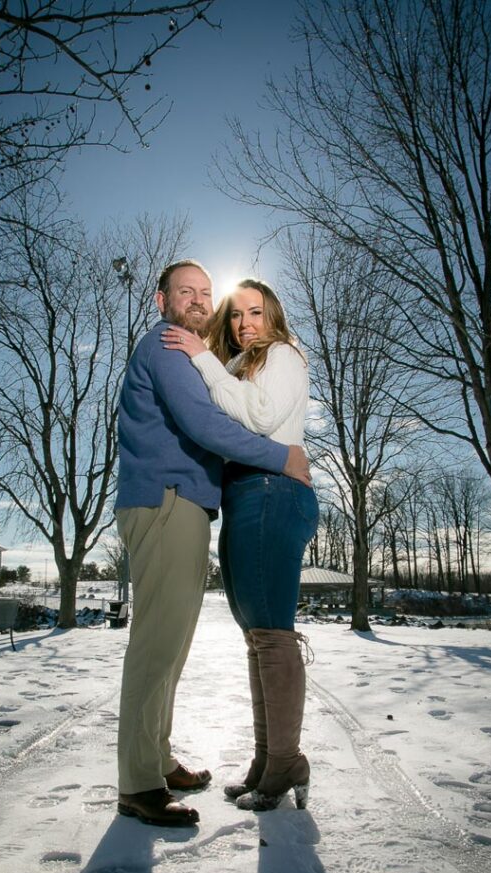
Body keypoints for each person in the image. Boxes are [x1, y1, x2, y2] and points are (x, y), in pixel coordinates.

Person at [115, 261, 311, 828]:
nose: (199, 301)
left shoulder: (225, 355)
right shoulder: (172, 347)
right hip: (166, 500)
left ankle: (159, 757)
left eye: (206, 293)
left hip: (188, 504)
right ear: (161, 300)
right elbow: (203, 422)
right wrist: (282, 456)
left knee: (172, 646)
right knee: (157, 644)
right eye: (186, 292)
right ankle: (139, 783)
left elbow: (249, 409)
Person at [161, 278, 319, 811]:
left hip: (273, 492)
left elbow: (260, 417)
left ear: (273, 315)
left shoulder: (283, 355)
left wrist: (203, 358)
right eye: (236, 315)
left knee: (273, 636)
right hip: (247, 496)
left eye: (256, 311)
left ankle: (285, 763)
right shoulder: (238, 365)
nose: (245, 323)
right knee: (257, 636)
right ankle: (267, 759)